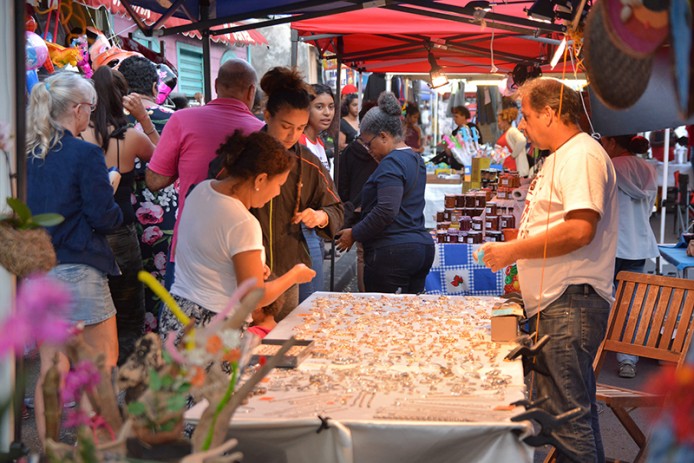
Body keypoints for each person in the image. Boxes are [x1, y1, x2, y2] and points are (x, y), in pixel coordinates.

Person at [475, 78, 618, 463]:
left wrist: (512, 252)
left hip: (570, 303)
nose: (521, 125)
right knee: (573, 417)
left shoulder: (582, 155)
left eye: (526, 115)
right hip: (559, 302)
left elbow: (579, 230)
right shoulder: (561, 155)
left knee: (566, 422)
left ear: (550, 113)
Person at [26, 72, 123, 442]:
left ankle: (49, 450)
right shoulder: (85, 153)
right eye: (91, 109)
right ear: (78, 109)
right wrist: (111, 185)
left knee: (51, 368)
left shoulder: (25, 152)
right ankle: (90, 451)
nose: (91, 118)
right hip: (79, 269)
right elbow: (104, 217)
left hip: (38, 274)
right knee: (97, 369)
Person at [159, 131, 315, 344]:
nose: (278, 193)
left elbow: (207, 255)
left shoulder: (201, 190)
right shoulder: (243, 222)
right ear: (260, 179)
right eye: (279, 184)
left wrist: (252, 267)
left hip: (176, 317)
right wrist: (294, 276)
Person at [145, 58, 264, 289]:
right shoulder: (261, 133)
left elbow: (154, 180)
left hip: (190, 244)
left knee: (181, 321)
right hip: (242, 248)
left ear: (217, 85)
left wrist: (183, 167)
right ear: (252, 91)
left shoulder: (181, 119)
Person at [243, 67, 343, 320]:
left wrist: (320, 216)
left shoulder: (308, 162)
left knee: (284, 342)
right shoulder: (241, 155)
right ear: (267, 115)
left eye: (299, 128)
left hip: (289, 273)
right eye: (286, 126)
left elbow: (337, 208)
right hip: (243, 273)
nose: (292, 135)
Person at [81, 66, 156, 365]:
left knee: (92, 316)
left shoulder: (78, 135)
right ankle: (125, 379)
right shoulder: (131, 138)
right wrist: (146, 121)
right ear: (122, 98)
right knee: (128, 314)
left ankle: (97, 379)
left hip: (87, 235)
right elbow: (165, 161)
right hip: (122, 233)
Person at [336, 92, 434, 294]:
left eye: (368, 143)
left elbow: (387, 209)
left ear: (383, 136)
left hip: (393, 252)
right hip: (419, 248)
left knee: (385, 318)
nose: (368, 149)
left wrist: (354, 233)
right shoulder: (415, 159)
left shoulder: (392, 163)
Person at [118, 55, 175, 328]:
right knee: (166, 287)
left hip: (124, 221)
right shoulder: (175, 120)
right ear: (155, 87)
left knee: (129, 291)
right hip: (168, 221)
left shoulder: (108, 122)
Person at [601, 134, 659, 379]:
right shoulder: (648, 167)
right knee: (632, 302)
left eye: (604, 142)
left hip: (612, 244)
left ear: (613, 142)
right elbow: (650, 206)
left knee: (602, 299)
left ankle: (595, 352)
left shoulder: (609, 166)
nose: (602, 146)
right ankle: (628, 360)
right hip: (639, 243)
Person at [297, 84, 336, 302]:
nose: (327, 112)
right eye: (319, 107)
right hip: (303, 225)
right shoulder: (299, 142)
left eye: (331, 106)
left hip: (318, 224)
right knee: (309, 298)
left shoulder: (319, 143)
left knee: (315, 294)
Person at [337, 100, 379, 292]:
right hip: (377, 209)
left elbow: (342, 185)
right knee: (370, 253)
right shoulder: (384, 154)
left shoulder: (349, 152)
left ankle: (365, 296)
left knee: (362, 255)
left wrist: (349, 205)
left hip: (357, 209)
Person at [496, 107, 530, 177]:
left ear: (505, 121)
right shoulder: (508, 132)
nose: (498, 124)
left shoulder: (512, 131)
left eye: (499, 121)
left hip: (515, 170)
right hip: (509, 169)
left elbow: (522, 140)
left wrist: (513, 155)